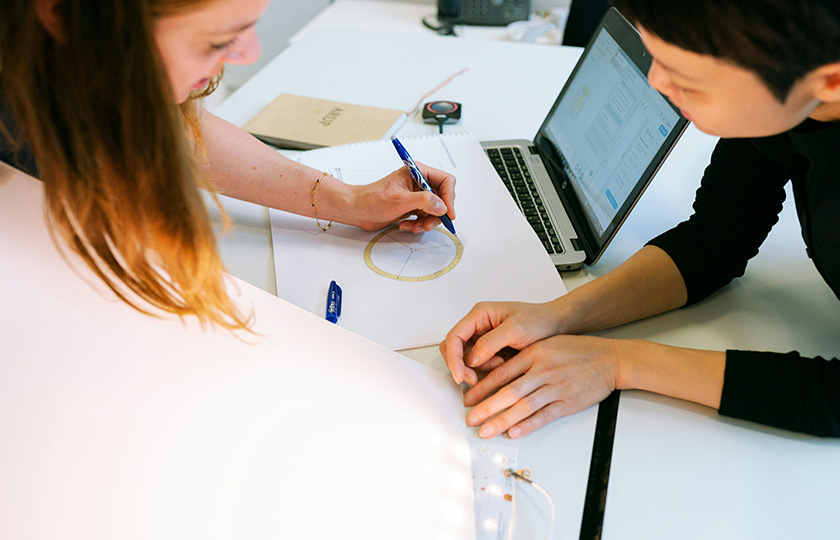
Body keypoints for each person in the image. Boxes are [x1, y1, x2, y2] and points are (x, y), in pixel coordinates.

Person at [440, 0, 840, 438]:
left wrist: (619, 362)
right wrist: (556, 316)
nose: (656, 83)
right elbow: (719, 238)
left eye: (689, 79)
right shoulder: (778, 97)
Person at [0, 0, 456, 331]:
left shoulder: (89, 61)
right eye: (218, 39)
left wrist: (349, 200)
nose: (251, 53)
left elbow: (179, 124)